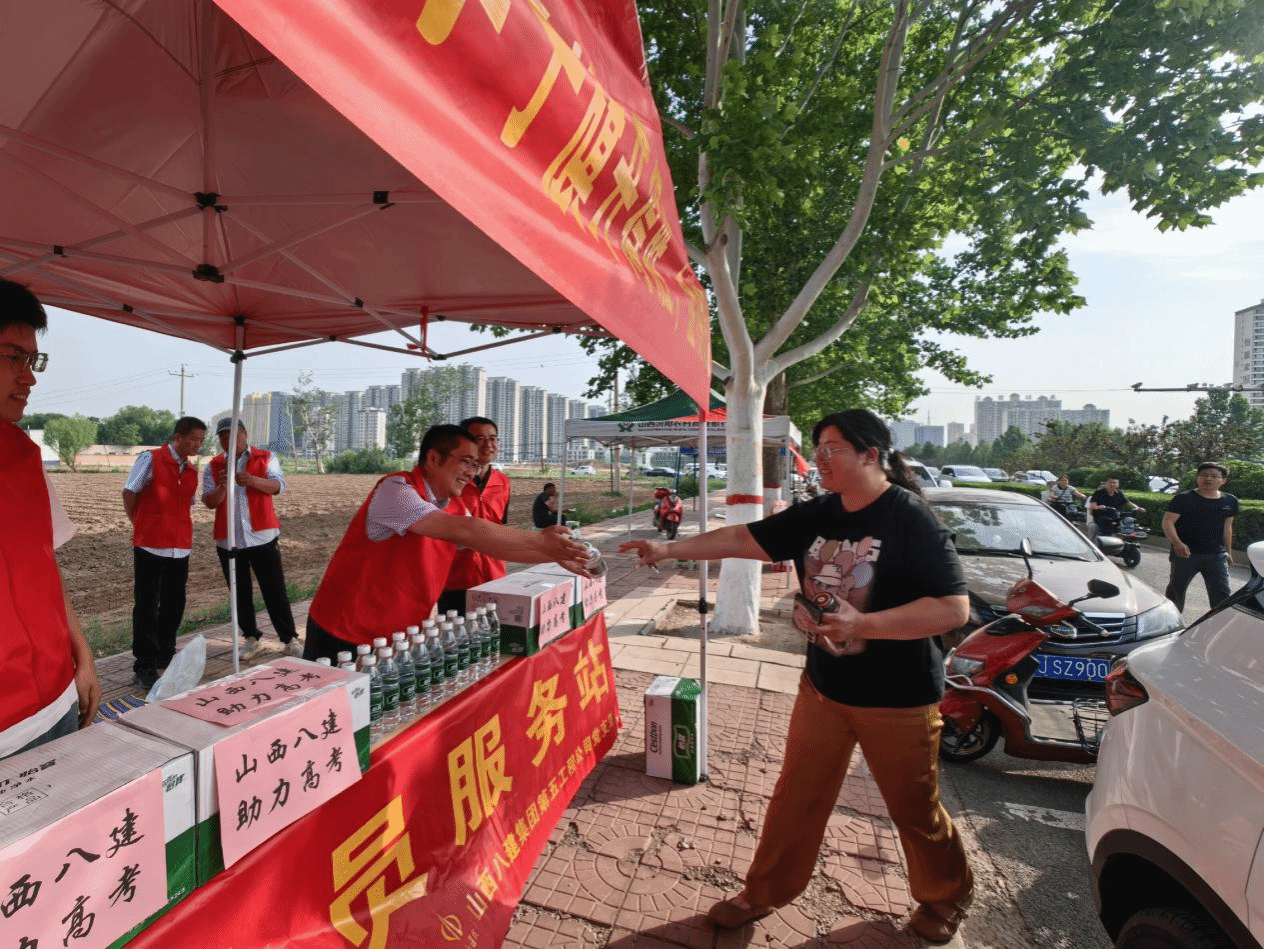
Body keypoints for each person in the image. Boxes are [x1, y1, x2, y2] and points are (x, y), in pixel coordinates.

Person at [620, 409, 973, 944]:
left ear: (870, 455)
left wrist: (864, 624)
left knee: (913, 809)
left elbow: (952, 609)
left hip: (898, 699)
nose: (820, 459)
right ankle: (764, 891)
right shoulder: (820, 513)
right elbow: (743, 539)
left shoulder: (910, 518)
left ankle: (945, 896)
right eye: (818, 448)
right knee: (796, 796)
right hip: (824, 688)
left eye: (832, 449)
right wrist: (668, 549)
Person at [304, 425, 592, 662]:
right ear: (434, 458)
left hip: (397, 634)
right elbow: (466, 530)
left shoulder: (453, 506)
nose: (472, 473)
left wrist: (552, 553)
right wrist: (540, 539)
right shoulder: (395, 490)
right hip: (344, 629)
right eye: (466, 462)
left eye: (476, 465)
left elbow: (492, 546)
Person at [0, 278, 100, 759]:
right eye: (12, 357)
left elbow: (44, 566)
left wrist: (82, 653)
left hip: (57, 703)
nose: (30, 378)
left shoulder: (25, 456)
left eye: (33, 360)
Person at [202, 418, 300, 659]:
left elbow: (278, 486)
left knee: (275, 590)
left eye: (234, 435)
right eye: (223, 436)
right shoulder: (213, 466)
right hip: (229, 540)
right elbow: (209, 502)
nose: (228, 440)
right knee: (239, 593)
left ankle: (289, 638)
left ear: (245, 434)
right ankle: (251, 638)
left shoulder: (266, 458)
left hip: (262, 537)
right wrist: (223, 486)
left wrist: (251, 480)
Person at [123, 415, 207, 690]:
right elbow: (130, 491)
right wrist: (139, 522)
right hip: (150, 545)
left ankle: (165, 654)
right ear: (178, 437)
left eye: (201, 441)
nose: (197, 445)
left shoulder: (191, 470)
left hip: (179, 547)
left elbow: (187, 504)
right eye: (193, 439)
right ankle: (144, 665)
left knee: (173, 604)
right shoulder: (151, 459)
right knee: (147, 606)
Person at [437, 416, 511, 616]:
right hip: (455, 578)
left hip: (494, 575)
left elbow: (499, 525)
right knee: (457, 632)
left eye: (493, 439)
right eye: (479, 439)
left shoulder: (503, 482)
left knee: (492, 630)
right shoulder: (447, 482)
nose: (488, 445)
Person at [1162, 462, 1238, 612]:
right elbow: (1167, 522)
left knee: (1222, 596)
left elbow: (1227, 527)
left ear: (1223, 480)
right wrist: (1177, 543)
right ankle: (1172, 622)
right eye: (1204, 475)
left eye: (1214, 476)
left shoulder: (1230, 501)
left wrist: (1228, 552)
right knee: (1176, 592)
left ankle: (1218, 624)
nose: (1208, 479)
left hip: (1216, 556)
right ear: (1198, 478)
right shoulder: (1183, 499)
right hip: (1185, 555)